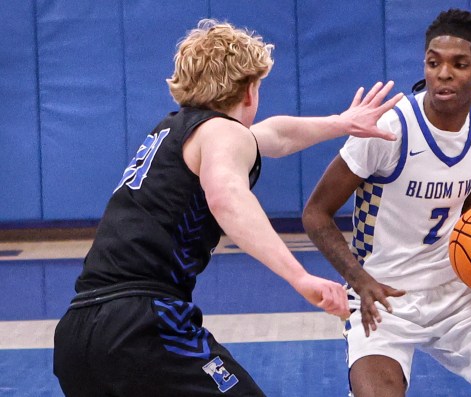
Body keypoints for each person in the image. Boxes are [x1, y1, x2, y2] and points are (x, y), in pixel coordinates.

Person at [53, 19, 402, 397]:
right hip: (143, 324)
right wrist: (299, 277)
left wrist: (340, 123)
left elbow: (276, 135)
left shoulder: (176, 131)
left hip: (77, 332)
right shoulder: (223, 132)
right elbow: (227, 198)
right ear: (249, 90)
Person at [302, 8, 471, 397]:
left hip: (457, 293)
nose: (443, 73)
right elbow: (315, 213)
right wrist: (360, 281)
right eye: (433, 62)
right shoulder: (388, 128)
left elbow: (465, 215)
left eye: (459, 64)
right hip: (382, 297)